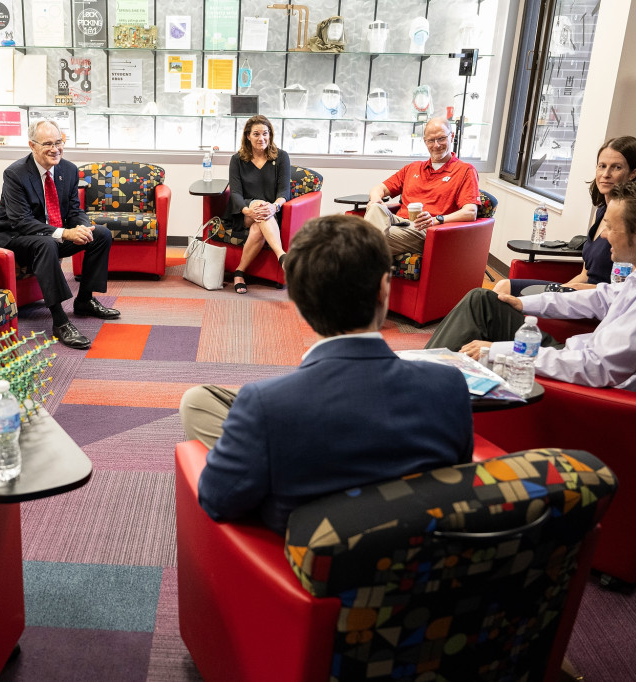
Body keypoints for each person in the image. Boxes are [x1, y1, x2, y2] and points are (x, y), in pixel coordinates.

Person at [179, 214, 474, 534]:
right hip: (421, 551)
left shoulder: (266, 405)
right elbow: (456, 486)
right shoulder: (449, 385)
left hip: (305, 558)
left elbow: (216, 500)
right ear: (383, 289)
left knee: (201, 403)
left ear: (300, 302)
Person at [426, 177, 636, 390]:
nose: (604, 235)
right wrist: (525, 303)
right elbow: (602, 298)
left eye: (611, 226)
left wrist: (497, 351)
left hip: (579, 381)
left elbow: (596, 369)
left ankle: (415, 388)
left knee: (480, 321)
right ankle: (421, 378)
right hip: (577, 354)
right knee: (484, 300)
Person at [0, 118, 117, 350]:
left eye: (59, 142)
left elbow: (75, 210)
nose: (55, 148)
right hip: (17, 239)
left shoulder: (68, 170)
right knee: (45, 245)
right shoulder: (15, 174)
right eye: (47, 143)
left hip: (53, 235)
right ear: (32, 145)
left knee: (100, 235)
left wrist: (82, 228)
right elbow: (22, 222)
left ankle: (85, 300)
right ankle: (60, 321)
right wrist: (65, 234)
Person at [494, 136, 636, 296]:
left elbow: (628, 289)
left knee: (503, 290)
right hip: (580, 295)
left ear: (633, 173)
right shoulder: (600, 212)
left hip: (599, 302)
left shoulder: (635, 220)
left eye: (616, 167)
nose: (606, 174)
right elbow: (584, 275)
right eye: (602, 166)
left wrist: (567, 293)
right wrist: (558, 294)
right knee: (502, 288)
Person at [366, 116, 480, 256]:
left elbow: (470, 212)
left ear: (452, 137)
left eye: (441, 138)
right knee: (375, 208)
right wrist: (375, 199)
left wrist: (437, 219)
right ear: (425, 141)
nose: (436, 145)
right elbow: (379, 189)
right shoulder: (412, 168)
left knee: (365, 239)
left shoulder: (465, 171)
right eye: (431, 140)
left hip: (427, 229)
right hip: (400, 222)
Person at [225, 115, 291, 294]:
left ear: (270, 135)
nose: (261, 138)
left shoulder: (281, 157)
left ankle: (239, 273)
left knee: (258, 228)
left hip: (270, 212)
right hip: (243, 211)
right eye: (256, 134)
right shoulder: (237, 159)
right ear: (248, 136)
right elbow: (236, 192)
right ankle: (282, 256)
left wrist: (275, 206)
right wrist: (248, 210)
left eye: (265, 133)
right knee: (260, 207)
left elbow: (284, 192)